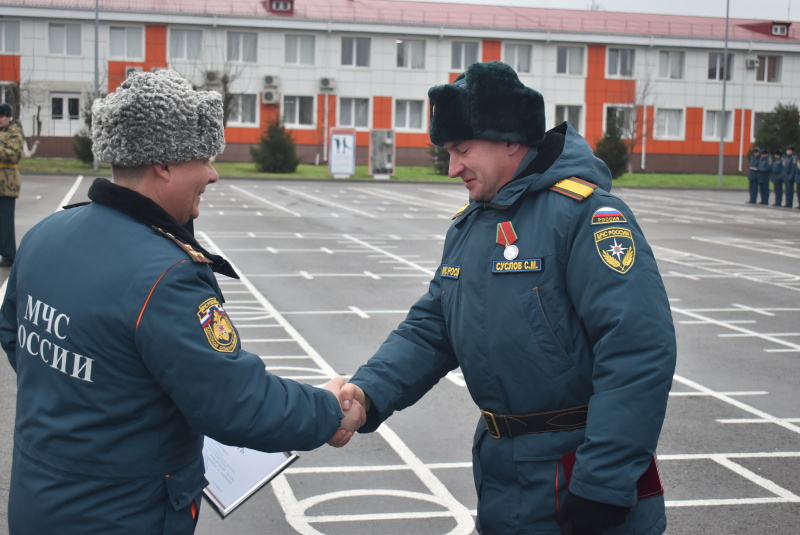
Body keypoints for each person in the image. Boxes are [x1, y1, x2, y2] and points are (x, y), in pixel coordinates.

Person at [0, 70, 365, 534]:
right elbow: (237, 402)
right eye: (204, 158)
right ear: (164, 165)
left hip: (39, 499)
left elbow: (16, 337)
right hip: (122, 513)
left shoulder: (45, 235)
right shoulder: (165, 275)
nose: (213, 174)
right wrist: (328, 409)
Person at [338, 61, 677, 535]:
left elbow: (637, 349)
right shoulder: (474, 222)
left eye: (462, 150)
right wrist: (367, 392)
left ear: (511, 139)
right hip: (503, 473)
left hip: (576, 473)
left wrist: (603, 480)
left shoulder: (587, 216)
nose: (453, 167)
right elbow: (433, 327)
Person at [0, 102, 23, 267]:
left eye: (2, 116)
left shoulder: (14, 133)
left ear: (8, 117)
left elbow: (14, 155)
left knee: (5, 222)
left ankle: (9, 255)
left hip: (7, 184)